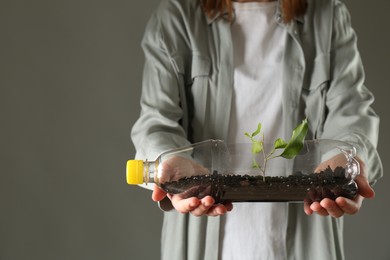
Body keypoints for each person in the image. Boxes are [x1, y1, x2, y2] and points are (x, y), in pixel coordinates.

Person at [130, 0, 383, 259]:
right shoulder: (177, 17)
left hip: (307, 243)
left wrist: (347, 161)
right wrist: (170, 164)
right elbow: (156, 120)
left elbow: (352, 111)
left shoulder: (326, 15)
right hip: (202, 243)